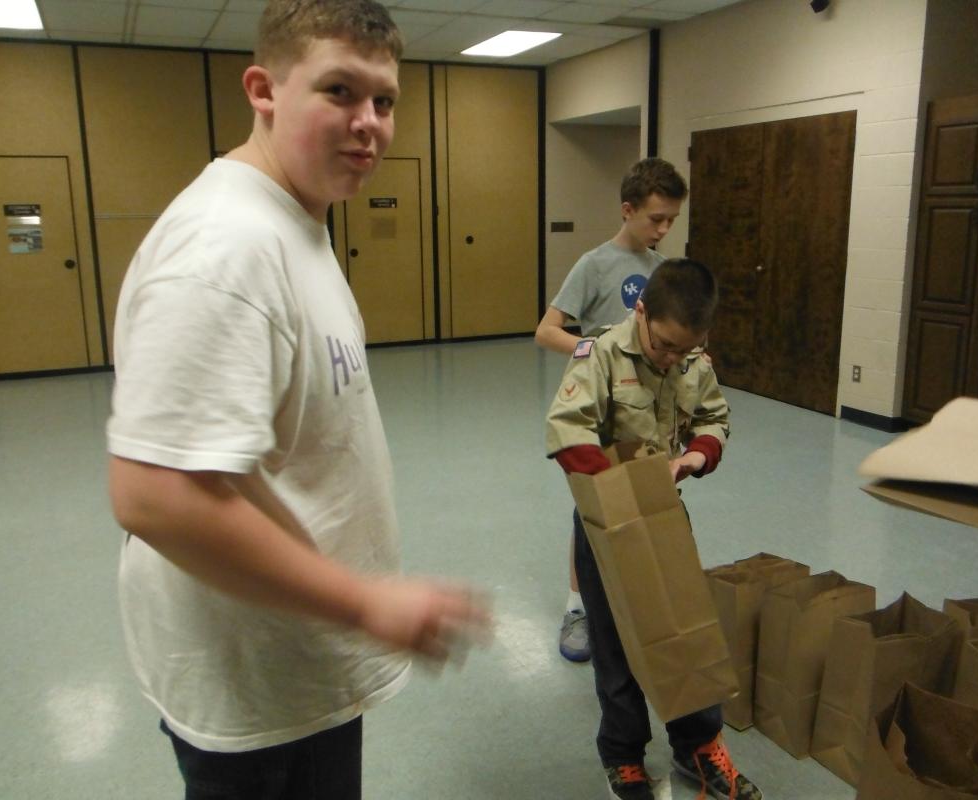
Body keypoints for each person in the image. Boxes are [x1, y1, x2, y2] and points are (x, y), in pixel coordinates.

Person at [106, 2, 488, 797]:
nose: (369, 124)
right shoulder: (228, 248)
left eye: (384, 100)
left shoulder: (294, 223)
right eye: (339, 91)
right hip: (250, 682)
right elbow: (155, 494)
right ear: (263, 89)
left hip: (298, 653)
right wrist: (362, 602)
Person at [545, 259, 761, 800]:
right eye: (663, 345)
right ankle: (622, 755)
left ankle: (696, 744)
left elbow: (715, 418)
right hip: (605, 522)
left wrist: (692, 459)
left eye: (684, 351)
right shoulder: (599, 355)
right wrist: (617, 492)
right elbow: (567, 433)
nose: (670, 359)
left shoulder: (692, 361)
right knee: (615, 642)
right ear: (640, 310)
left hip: (664, 513)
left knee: (683, 627)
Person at [535, 157, 688, 663]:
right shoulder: (594, 264)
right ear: (628, 210)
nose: (664, 229)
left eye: (671, 220)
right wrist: (592, 349)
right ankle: (578, 607)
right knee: (593, 512)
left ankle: (632, 606)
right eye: (656, 219)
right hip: (599, 410)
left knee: (642, 506)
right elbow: (547, 329)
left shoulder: (664, 271)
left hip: (648, 413)